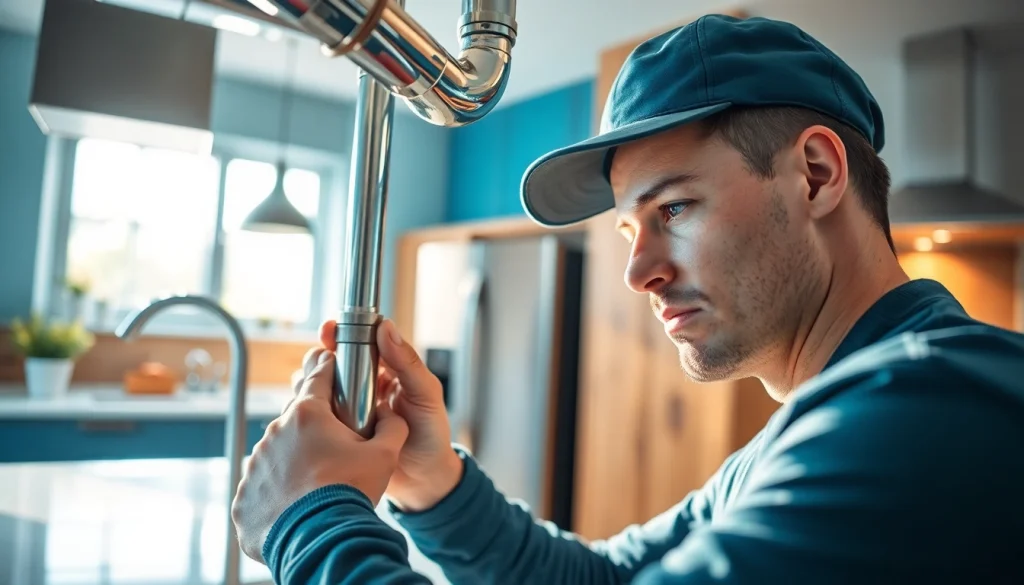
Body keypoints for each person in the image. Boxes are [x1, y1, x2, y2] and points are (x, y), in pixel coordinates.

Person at [231, 14, 1024, 584]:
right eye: (626, 230)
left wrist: (313, 524)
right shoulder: (815, 429)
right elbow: (601, 578)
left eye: (673, 208)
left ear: (815, 174)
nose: (636, 272)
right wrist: (431, 483)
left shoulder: (930, 407)